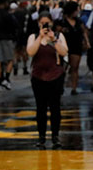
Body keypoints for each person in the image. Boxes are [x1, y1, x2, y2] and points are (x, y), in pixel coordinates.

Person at [27, 13, 68, 149]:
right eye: (42, 23)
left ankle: (55, 136)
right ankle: (41, 137)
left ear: (52, 23)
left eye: (47, 23)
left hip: (55, 76)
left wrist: (53, 40)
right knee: (41, 108)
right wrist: (40, 37)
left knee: (55, 107)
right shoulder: (33, 37)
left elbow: (64, 52)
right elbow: (30, 52)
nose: (45, 26)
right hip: (38, 77)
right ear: (38, 23)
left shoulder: (58, 36)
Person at [57, 1, 90, 96]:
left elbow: (84, 31)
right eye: (76, 10)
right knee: (63, 68)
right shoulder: (62, 21)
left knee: (75, 68)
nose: (77, 12)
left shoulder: (79, 21)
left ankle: (74, 88)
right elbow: (56, 32)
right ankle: (60, 86)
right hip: (64, 46)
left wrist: (86, 42)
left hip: (76, 45)